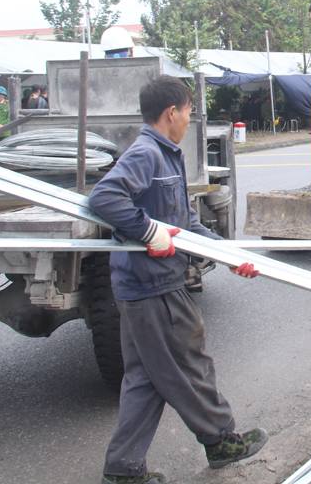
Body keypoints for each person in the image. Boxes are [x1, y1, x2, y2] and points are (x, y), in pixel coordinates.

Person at [88, 76, 267, 484]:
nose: (189, 119)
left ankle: (123, 470)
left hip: (145, 287)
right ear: (172, 112)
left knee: (146, 378)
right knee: (190, 363)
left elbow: (183, 225)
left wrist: (226, 253)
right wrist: (148, 231)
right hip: (153, 288)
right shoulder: (146, 153)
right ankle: (221, 440)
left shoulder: (168, 155)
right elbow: (105, 198)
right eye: (188, 111)